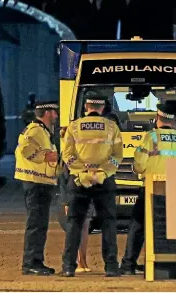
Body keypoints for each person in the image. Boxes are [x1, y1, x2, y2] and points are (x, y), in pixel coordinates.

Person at [119, 100, 176, 275]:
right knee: (168, 226)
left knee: (138, 225)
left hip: (152, 188)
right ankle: (168, 263)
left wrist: (137, 169)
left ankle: (128, 265)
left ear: (158, 117)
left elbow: (140, 163)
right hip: (174, 189)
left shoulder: (152, 137)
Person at [59, 95, 123, 277]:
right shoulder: (112, 127)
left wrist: (83, 172)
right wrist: (101, 173)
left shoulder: (74, 126)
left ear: (86, 107)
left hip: (79, 181)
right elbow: (117, 155)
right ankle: (111, 267)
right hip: (104, 180)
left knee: (74, 223)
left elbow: (68, 155)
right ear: (102, 108)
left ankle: (69, 267)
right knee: (109, 224)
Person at [15, 101, 59, 276]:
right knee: (36, 224)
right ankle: (31, 263)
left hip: (41, 182)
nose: (56, 115)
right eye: (54, 112)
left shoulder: (42, 131)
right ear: (47, 113)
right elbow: (24, 148)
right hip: (36, 183)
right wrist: (44, 156)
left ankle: (35, 261)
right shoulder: (35, 130)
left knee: (39, 225)